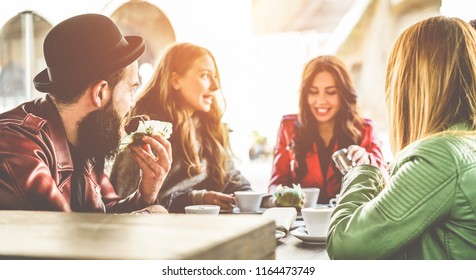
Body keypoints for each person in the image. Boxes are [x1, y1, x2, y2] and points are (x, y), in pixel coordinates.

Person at [327, 16, 476, 259]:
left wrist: (363, 172)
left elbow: (345, 244)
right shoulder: (465, 143)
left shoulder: (442, 156)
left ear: (409, 81)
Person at [0, 14, 172, 213]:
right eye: (131, 90)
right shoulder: (16, 145)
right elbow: (61, 236)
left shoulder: (87, 136)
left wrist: (145, 196)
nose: (132, 103)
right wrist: (151, 214)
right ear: (100, 93)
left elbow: (103, 213)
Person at [110, 42, 251, 213]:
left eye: (215, 76)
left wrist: (258, 198)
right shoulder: (144, 132)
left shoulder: (210, 127)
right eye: (205, 75)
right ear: (175, 80)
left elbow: (231, 178)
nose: (215, 86)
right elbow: (132, 200)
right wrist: (197, 198)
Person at [268, 55, 387, 205]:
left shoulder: (365, 129)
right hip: (301, 220)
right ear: (305, 95)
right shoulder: (289, 127)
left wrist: (367, 162)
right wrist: (282, 197)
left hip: (349, 220)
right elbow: (276, 184)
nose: (321, 100)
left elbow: (384, 182)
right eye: (313, 92)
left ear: (343, 94)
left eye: (331, 92)